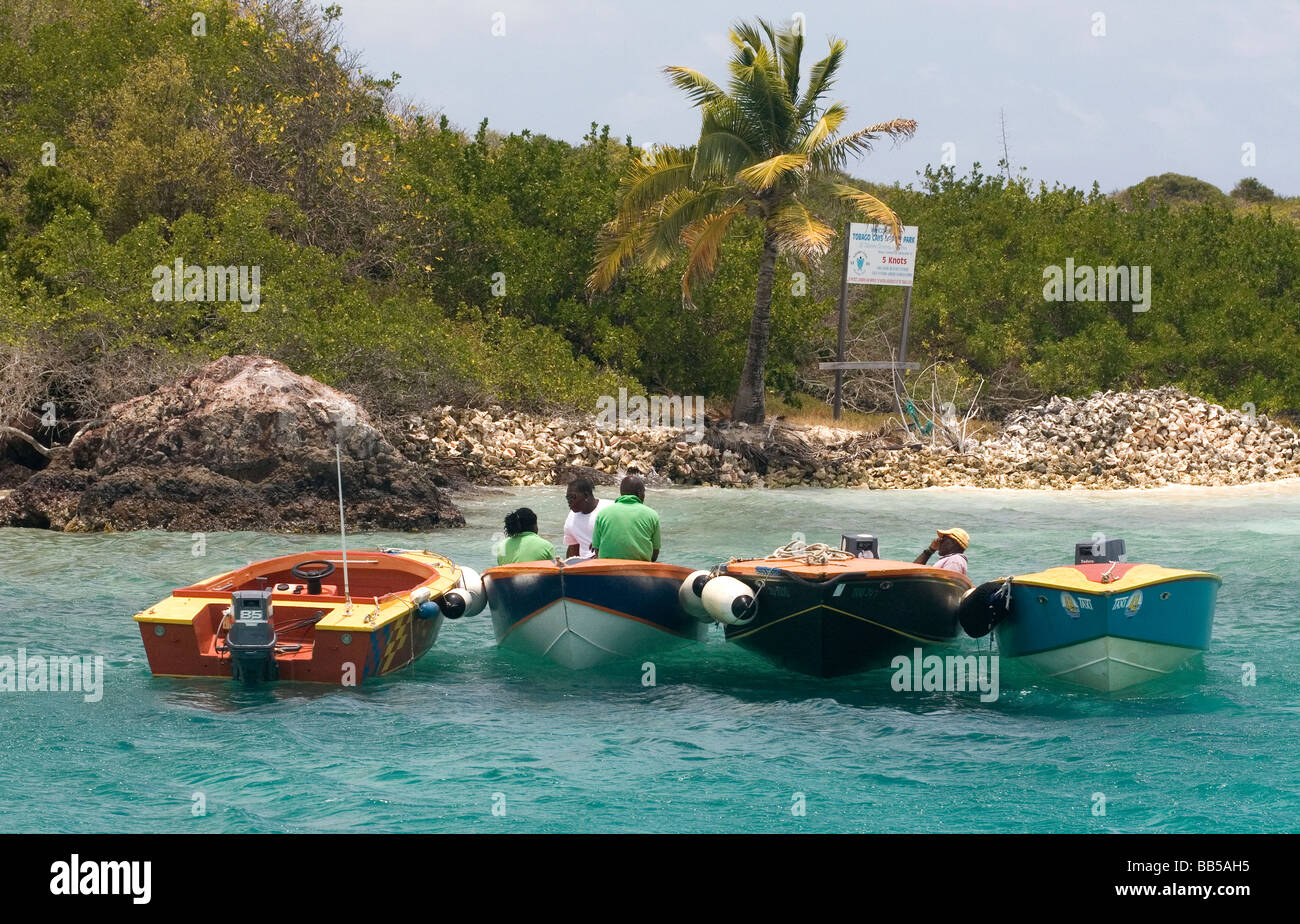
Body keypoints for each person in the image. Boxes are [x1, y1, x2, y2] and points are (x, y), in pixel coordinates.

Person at [590, 474, 660, 562]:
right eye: (644, 492)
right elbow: (655, 552)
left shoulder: (602, 514)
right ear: (639, 493)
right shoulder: (652, 515)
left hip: (608, 568)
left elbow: (596, 549)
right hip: (640, 568)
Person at [563, 477, 611, 560]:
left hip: (607, 561)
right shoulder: (571, 518)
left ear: (586, 495)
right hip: (585, 566)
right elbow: (573, 548)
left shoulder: (609, 509)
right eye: (567, 498)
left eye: (572, 497)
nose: (569, 501)